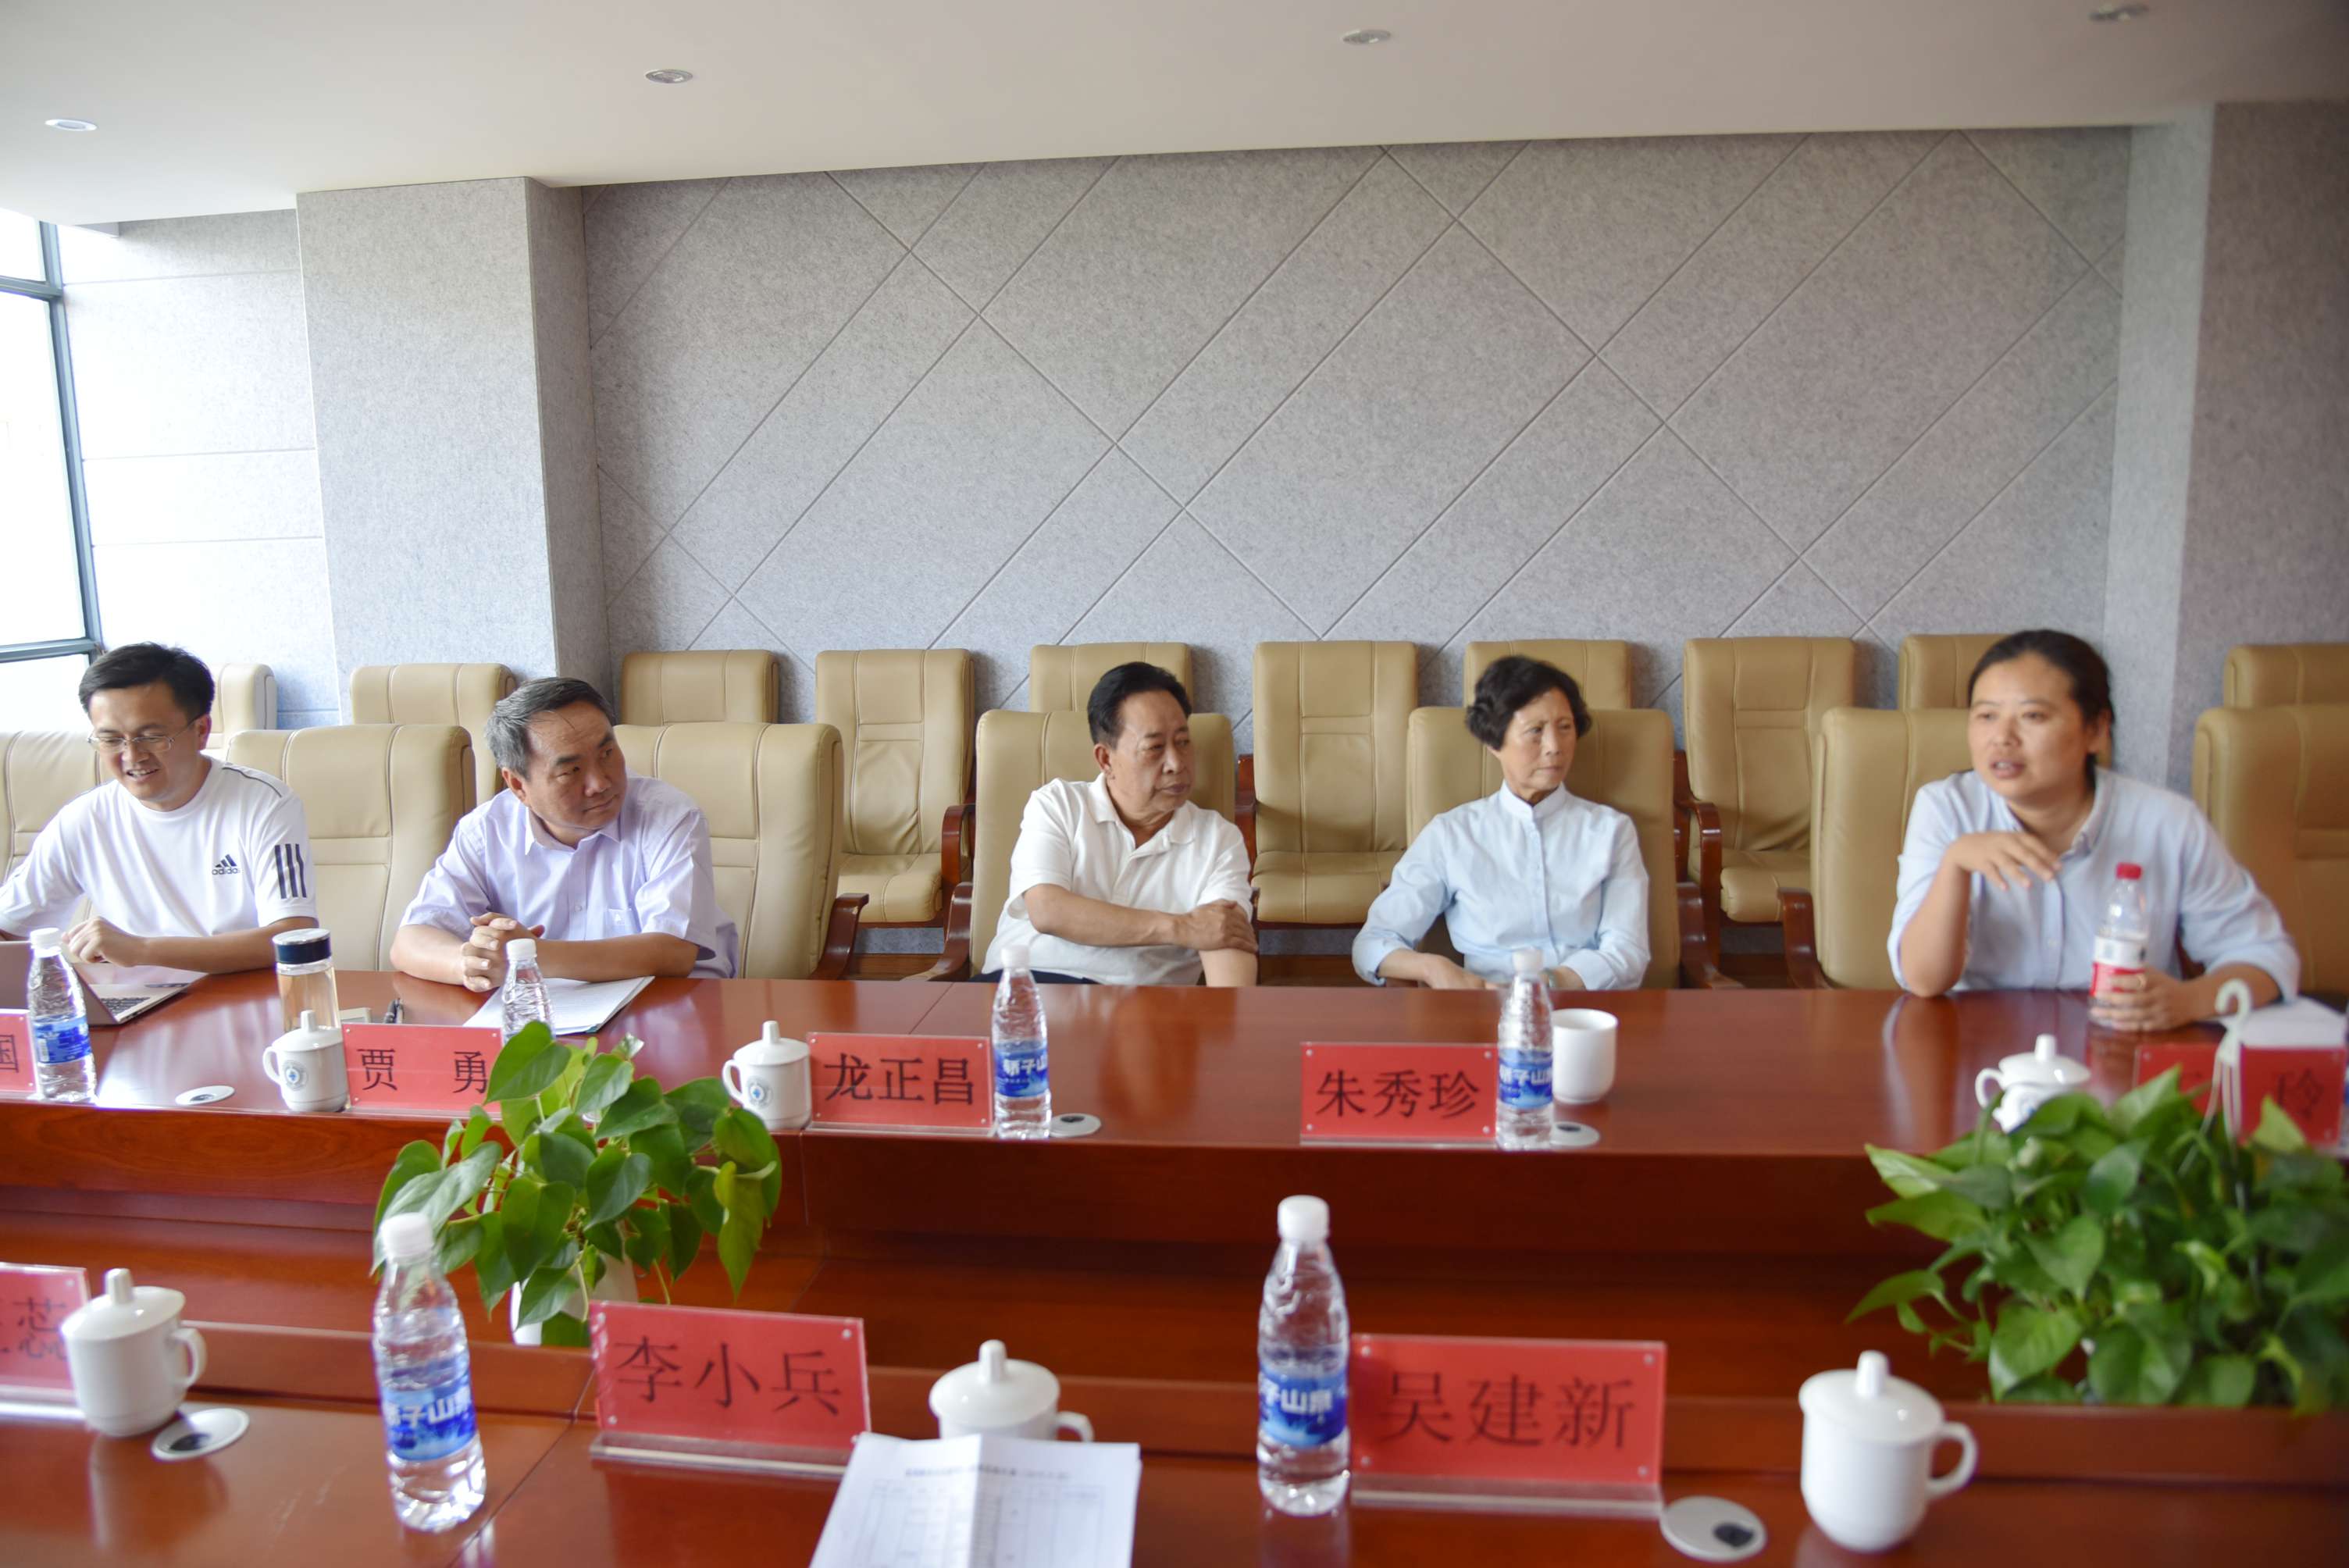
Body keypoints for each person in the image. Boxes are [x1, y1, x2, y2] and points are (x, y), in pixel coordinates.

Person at [1890, 629, 2297, 1028]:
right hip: (1980, 1047)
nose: (2002, 738)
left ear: (2096, 730)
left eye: (2033, 716)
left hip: (2121, 1043)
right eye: (1986, 716)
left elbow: (2265, 956)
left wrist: (2189, 1001)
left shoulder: (2168, 822)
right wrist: (1955, 864)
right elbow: (1923, 980)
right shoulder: (1947, 809)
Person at [390, 676, 736, 990]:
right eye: (571, 771)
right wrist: (473, 963)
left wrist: (531, 956)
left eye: (607, 753)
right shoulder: (486, 830)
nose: (600, 783)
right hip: (543, 1014)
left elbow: (673, 951)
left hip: (666, 1007)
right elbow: (411, 941)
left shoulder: (668, 815)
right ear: (518, 785)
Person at [0, 642, 317, 972]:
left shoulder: (264, 804)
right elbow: (9, 928)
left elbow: (294, 936)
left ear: (201, 731)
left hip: (239, 992)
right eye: (111, 740)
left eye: (150, 737)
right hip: (130, 997)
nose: (132, 756)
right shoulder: (83, 819)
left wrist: (142, 949)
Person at [1354, 656, 1649, 990]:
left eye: (1565, 727)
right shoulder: (1452, 835)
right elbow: (1372, 944)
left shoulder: (1611, 831)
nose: (1554, 747)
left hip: (1587, 1007)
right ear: (1494, 741)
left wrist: (1546, 983)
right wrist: (1433, 969)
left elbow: (1628, 951)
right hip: (1482, 1006)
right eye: (1535, 731)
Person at [979, 662, 1256, 986]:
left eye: (1183, 742)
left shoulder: (1218, 839)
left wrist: (1230, 1013)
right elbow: (1048, 911)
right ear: (1106, 759)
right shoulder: (1057, 804)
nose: (1176, 764)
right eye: (1154, 748)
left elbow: (1224, 936)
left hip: (1139, 1007)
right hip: (1022, 991)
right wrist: (1181, 927)